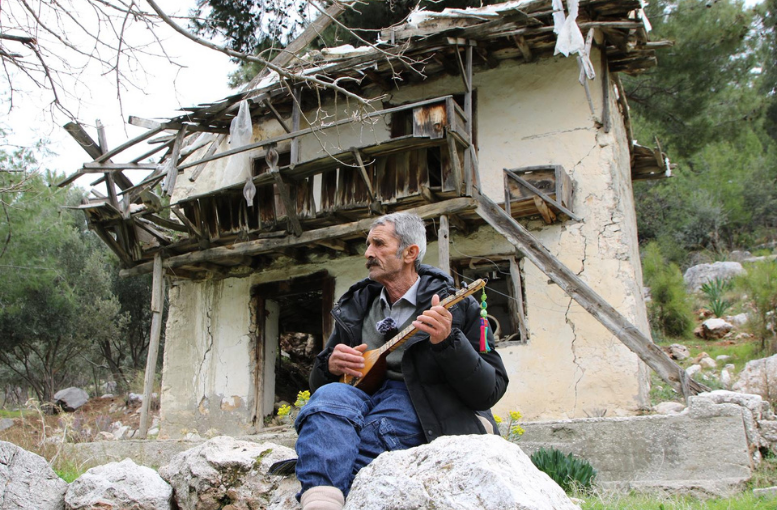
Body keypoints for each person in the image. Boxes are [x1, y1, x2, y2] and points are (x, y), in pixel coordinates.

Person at [294, 212, 509, 510]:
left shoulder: (459, 306)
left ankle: (327, 491)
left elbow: (489, 390)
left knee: (372, 432)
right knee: (327, 399)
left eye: (379, 244)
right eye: (368, 245)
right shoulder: (356, 305)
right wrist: (329, 365)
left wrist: (449, 341)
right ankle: (320, 501)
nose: (368, 253)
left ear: (410, 253)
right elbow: (318, 385)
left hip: (420, 400)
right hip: (362, 395)